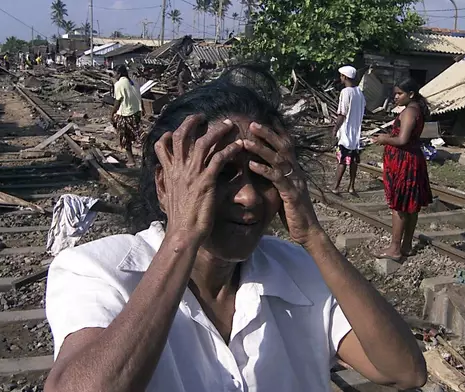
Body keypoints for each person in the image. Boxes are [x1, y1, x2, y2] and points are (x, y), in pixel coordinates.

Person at [43, 65, 427, 392]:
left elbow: (404, 371)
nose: (248, 197)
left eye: (263, 177)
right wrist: (182, 238)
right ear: (165, 185)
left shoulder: (300, 269)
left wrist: (313, 235)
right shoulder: (98, 270)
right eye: (221, 174)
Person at [371, 78, 432, 261]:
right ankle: (406, 246)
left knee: (399, 206)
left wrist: (384, 139)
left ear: (411, 94)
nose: (395, 97)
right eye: (395, 93)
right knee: (411, 206)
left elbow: (402, 140)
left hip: (404, 162)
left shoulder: (409, 112)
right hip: (412, 159)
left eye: (399, 93)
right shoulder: (416, 110)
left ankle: (394, 248)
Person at [331, 65, 365, 196]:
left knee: (342, 161)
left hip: (345, 133)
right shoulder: (359, 92)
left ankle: (335, 187)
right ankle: (351, 187)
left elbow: (342, 114)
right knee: (354, 161)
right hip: (356, 133)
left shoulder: (346, 92)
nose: (340, 78)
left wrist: (335, 129)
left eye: (341, 76)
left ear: (344, 77)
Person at [111, 65, 145, 167]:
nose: (114, 76)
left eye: (115, 74)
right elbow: (140, 97)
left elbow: (117, 101)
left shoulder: (119, 84)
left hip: (126, 115)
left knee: (125, 138)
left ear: (119, 74)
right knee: (137, 136)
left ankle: (131, 160)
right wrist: (142, 109)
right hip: (136, 113)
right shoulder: (134, 82)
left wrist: (112, 113)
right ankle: (145, 158)